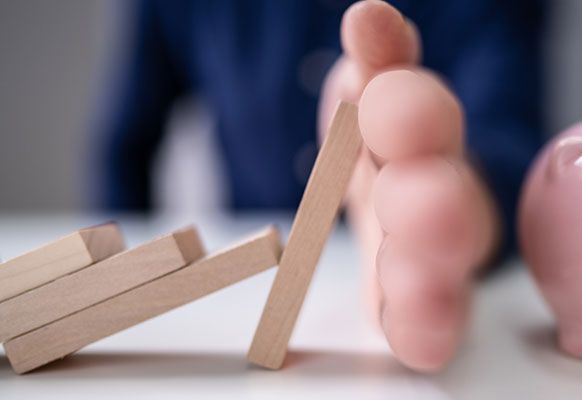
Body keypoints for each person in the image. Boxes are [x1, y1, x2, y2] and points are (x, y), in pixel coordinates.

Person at [95, 0, 548, 371]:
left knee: (453, 169)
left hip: (460, 193)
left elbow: (510, 137)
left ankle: (425, 208)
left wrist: (462, 199)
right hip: (252, 246)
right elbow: (127, 144)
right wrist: (114, 276)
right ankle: (411, 198)